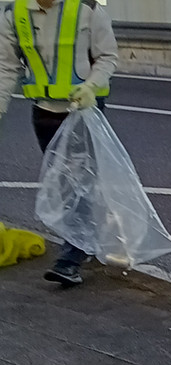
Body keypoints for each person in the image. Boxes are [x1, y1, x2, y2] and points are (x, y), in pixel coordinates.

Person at [0, 0, 118, 286]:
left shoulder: (88, 9)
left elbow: (108, 57)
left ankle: (70, 258)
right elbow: (6, 67)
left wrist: (91, 86)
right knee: (61, 180)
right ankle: (83, 242)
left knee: (78, 180)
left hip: (83, 110)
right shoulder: (13, 14)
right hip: (43, 112)